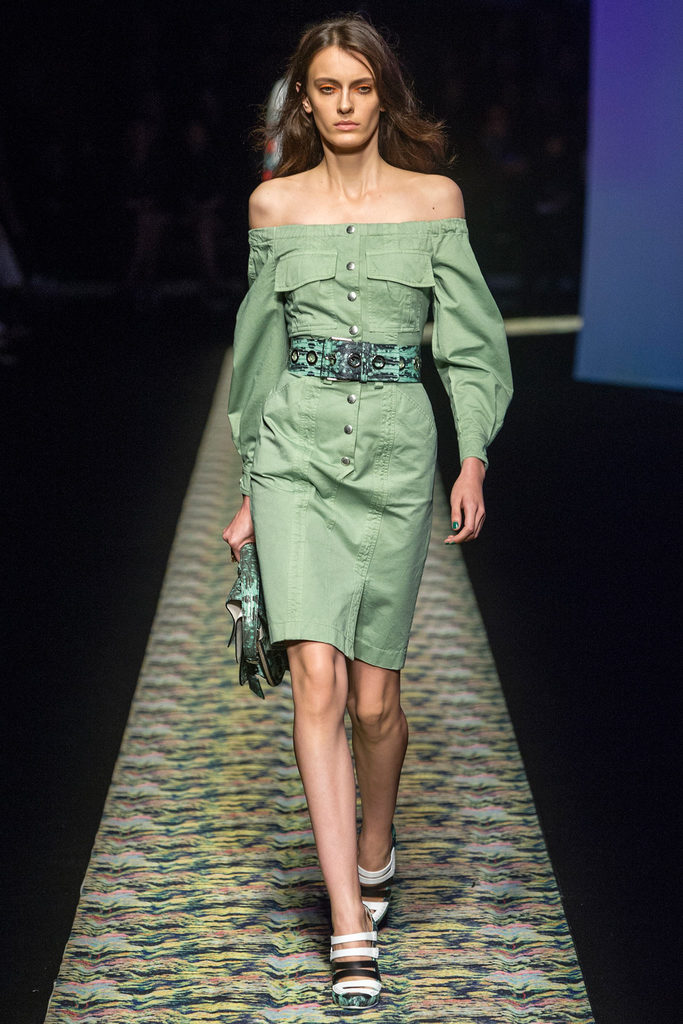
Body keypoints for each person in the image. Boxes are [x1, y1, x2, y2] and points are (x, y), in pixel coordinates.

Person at [223, 14, 513, 1010]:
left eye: (359, 85)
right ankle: (348, 919)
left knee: (374, 701)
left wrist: (471, 456)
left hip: (393, 454)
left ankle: (376, 842)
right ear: (304, 101)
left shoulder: (434, 201)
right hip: (296, 452)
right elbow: (257, 354)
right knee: (315, 677)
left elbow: (468, 342)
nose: (344, 103)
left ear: (382, 93)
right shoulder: (273, 205)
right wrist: (250, 484)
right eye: (326, 88)